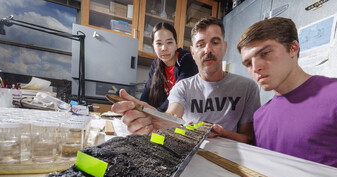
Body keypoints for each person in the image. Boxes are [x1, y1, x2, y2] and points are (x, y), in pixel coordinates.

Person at [237, 17, 337, 177]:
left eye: (265, 53)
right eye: (248, 63)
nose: (256, 67)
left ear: (293, 48)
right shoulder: (260, 116)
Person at [112, 17, 261, 143]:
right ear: (193, 52)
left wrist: (222, 133)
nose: (208, 50)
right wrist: (155, 119)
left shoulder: (247, 87)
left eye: (215, 42)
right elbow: (173, 116)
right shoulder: (182, 87)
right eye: (200, 44)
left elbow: (248, 138)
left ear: (225, 47)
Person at [140, 22, 198, 112]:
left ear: (176, 44)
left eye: (169, 42)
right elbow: (146, 92)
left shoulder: (187, 59)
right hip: (167, 115)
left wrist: (156, 114)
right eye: (159, 43)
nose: (164, 48)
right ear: (153, 46)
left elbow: (178, 94)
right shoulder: (156, 64)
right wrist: (140, 109)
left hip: (187, 115)